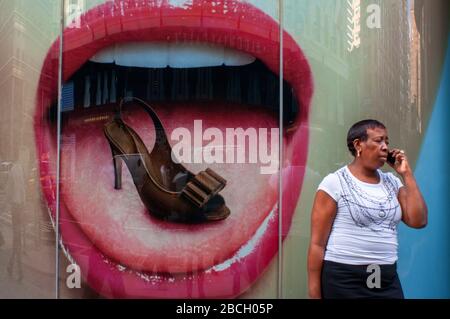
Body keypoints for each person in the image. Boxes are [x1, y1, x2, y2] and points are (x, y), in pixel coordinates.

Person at [307, 119, 428, 299]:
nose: (385, 147)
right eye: (378, 141)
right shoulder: (334, 183)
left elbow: (419, 221)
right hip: (343, 279)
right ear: (358, 145)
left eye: (387, 141)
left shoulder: (392, 182)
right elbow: (317, 245)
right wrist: (314, 294)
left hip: (385, 279)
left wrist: (406, 174)